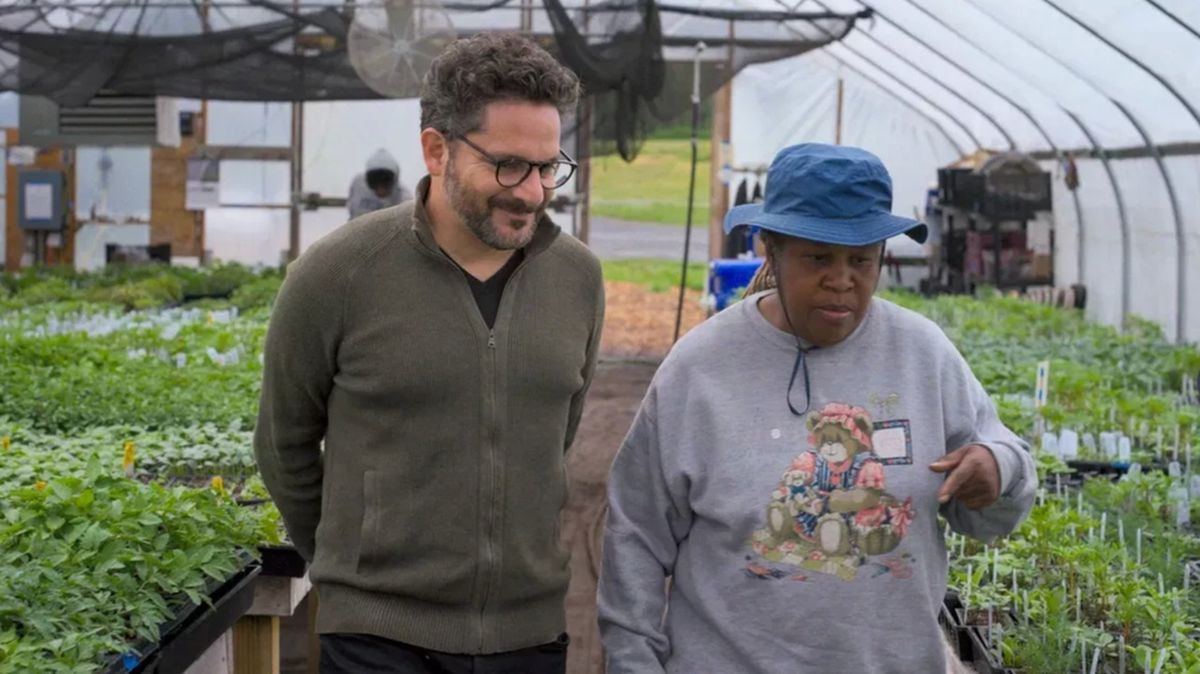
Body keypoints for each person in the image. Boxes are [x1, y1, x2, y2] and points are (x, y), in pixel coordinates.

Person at [598, 143, 1035, 673]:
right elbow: (636, 537)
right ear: (771, 250)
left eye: (861, 259)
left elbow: (996, 495)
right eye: (818, 257)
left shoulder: (922, 353)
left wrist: (997, 468)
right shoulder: (701, 368)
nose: (842, 278)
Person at [254, 32, 604, 674]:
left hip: (529, 634)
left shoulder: (577, 278)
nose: (530, 191)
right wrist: (353, 564)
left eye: (547, 166)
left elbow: (555, 434)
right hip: (376, 640)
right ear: (436, 148)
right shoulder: (338, 274)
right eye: (507, 165)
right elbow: (283, 443)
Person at [347, 148, 413, 219]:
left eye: (385, 184)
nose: (380, 190)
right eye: (374, 183)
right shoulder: (358, 185)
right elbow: (351, 210)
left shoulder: (404, 200)